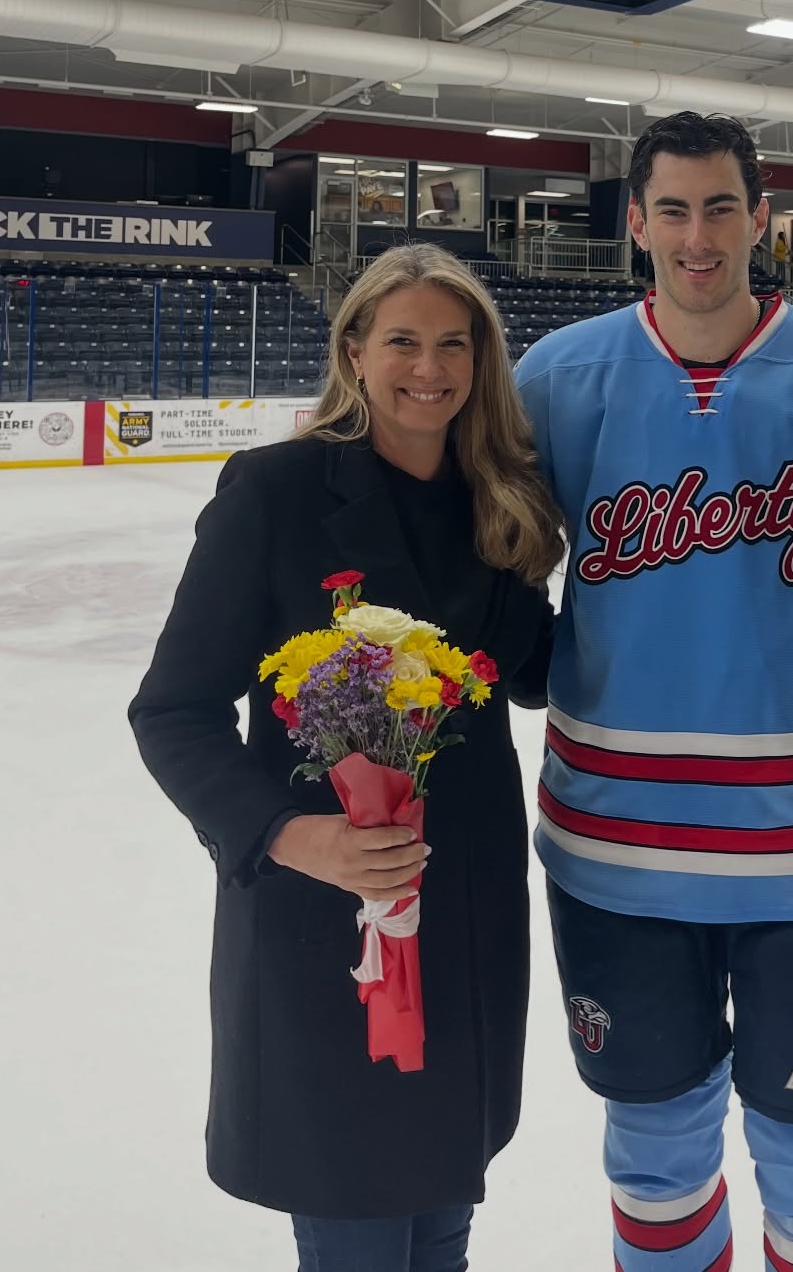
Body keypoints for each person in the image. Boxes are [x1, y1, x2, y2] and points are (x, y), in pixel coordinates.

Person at [515, 111, 793, 1272]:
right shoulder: (555, 378)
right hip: (616, 846)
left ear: (764, 218)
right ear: (636, 221)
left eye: (720, 208)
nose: (696, 235)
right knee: (652, 1145)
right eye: (672, 209)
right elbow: (478, 589)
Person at [129, 244, 564, 1272]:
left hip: (465, 908)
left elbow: (536, 670)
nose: (431, 366)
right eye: (403, 339)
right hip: (327, 925)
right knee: (356, 1219)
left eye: (455, 343)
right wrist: (287, 833)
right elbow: (175, 709)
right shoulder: (276, 492)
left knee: (441, 1210)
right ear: (355, 350)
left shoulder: (495, 496)